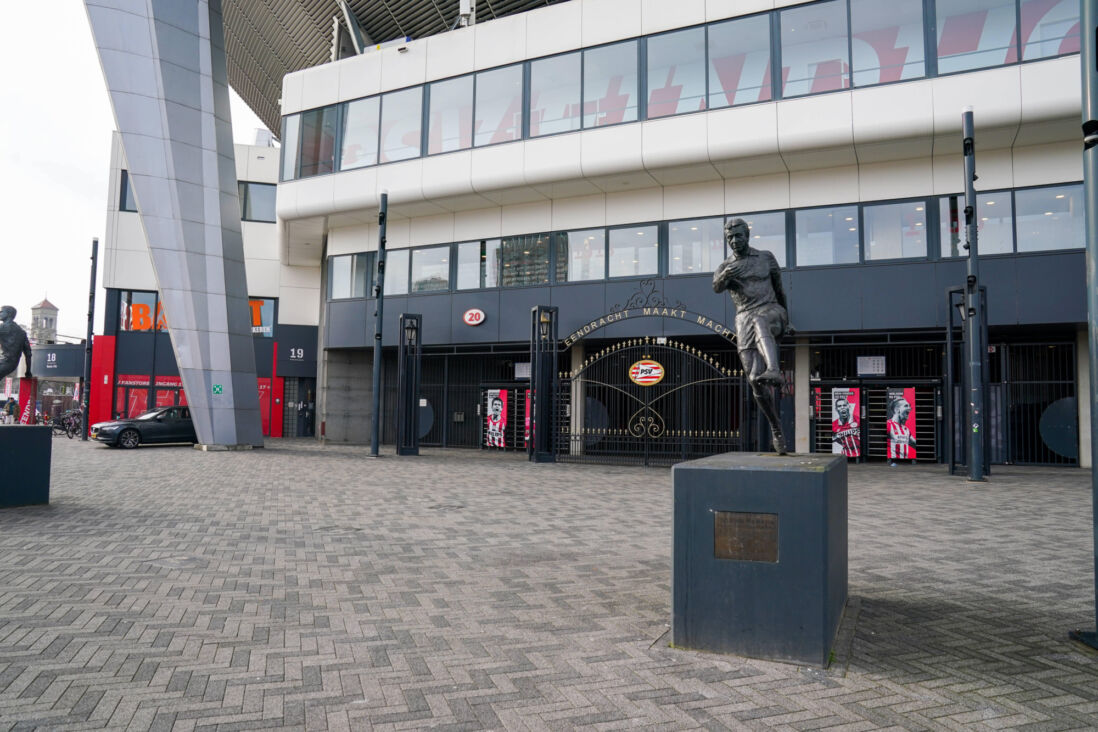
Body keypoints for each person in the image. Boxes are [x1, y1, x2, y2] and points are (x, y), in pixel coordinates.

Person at [713, 218, 790, 453]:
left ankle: (774, 369)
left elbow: (779, 289)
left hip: (772, 311)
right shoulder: (725, 265)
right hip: (744, 318)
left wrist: (786, 319)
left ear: (747, 235)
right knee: (755, 379)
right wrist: (726, 274)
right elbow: (716, 286)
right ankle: (777, 430)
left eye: (738, 235)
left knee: (761, 320)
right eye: (730, 238)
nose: (735, 241)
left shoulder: (766, 257)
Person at [0, 306, 32, 382]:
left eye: (2, 311)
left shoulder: (3, 327)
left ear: (9, 314)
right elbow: (28, 354)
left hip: (5, 362)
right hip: (12, 365)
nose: (0, 313)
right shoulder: (22, 332)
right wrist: (28, 372)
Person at [886, 397, 916, 466]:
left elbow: (914, 443)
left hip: (904, 464)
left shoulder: (906, 429)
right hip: (893, 462)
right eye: (906, 406)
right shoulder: (888, 425)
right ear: (897, 410)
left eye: (909, 406)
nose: (909, 408)